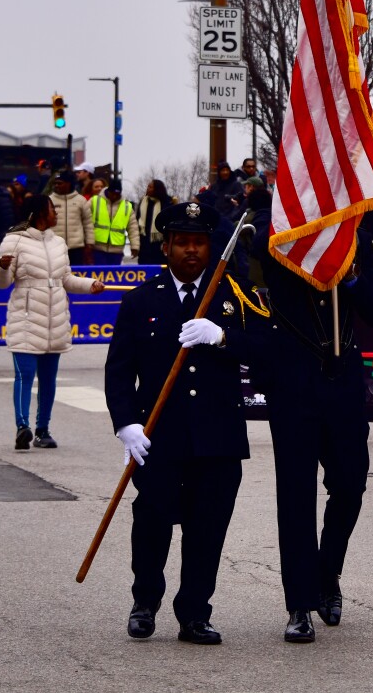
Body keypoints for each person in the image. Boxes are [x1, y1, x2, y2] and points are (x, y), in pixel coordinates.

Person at [104, 201, 252, 645]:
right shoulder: (140, 300)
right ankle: (144, 602)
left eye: (199, 242)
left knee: (207, 530)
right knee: (151, 522)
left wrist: (222, 335)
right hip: (159, 437)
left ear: (211, 246)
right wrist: (126, 424)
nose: (191, 250)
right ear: (165, 245)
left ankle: (194, 613)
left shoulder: (234, 296)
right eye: (182, 242)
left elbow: (266, 349)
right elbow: (118, 370)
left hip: (218, 437)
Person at [247, 202, 373, 644]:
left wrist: (353, 278)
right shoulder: (274, 239)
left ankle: (328, 573)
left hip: (342, 378)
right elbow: (246, 274)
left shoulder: (356, 239)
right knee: (296, 493)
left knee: (350, 483)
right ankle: (299, 603)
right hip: (293, 379)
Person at [0, 195, 104, 449]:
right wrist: (1, 266)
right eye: (53, 209)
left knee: (48, 379)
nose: (56, 213)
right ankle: (23, 427)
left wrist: (90, 285)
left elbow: (67, 279)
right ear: (42, 212)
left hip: (55, 321)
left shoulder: (59, 243)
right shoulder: (14, 240)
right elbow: (2, 283)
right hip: (26, 319)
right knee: (25, 376)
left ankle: (43, 430)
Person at [48, 170, 94, 266]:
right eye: (55, 183)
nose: (56, 186)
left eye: (60, 183)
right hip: (55, 247)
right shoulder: (49, 200)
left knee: (76, 277)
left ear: (68, 183)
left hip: (76, 249)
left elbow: (88, 223)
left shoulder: (80, 200)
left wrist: (89, 243)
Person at [91, 178, 140, 265]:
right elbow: (86, 222)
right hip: (97, 249)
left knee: (114, 277)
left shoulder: (127, 206)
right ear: (108, 190)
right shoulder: (95, 201)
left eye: (117, 194)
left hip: (116, 250)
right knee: (98, 277)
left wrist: (135, 246)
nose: (114, 196)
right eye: (112, 193)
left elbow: (133, 229)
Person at [136, 179, 171, 265]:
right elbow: (137, 221)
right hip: (144, 245)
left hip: (160, 245)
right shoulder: (143, 202)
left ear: (157, 189)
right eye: (148, 186)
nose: (148, 189)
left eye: (150, 187)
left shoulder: (167, 203)